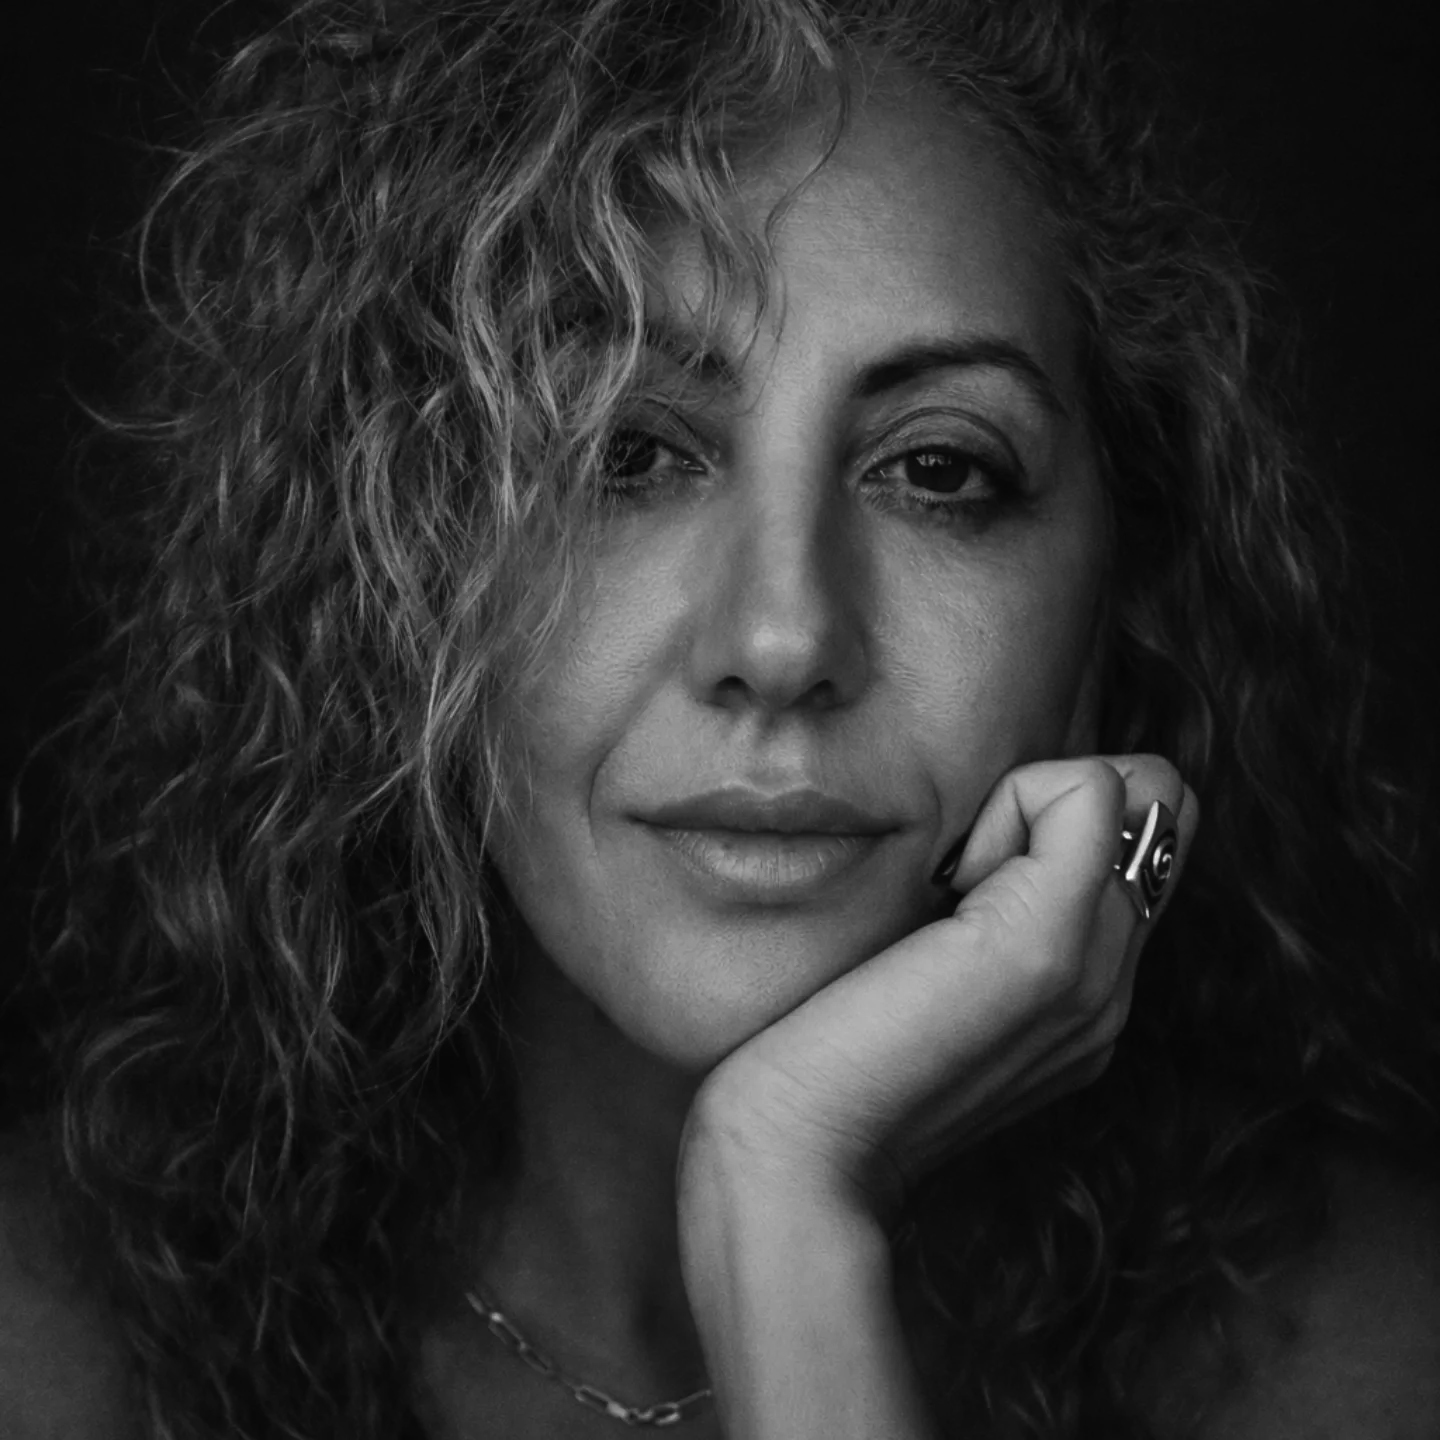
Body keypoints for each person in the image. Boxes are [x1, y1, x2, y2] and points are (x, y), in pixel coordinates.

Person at [1, 1, 1436, 1436]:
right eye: (624, 451)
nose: (783, 642)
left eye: (939, 469)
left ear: (1123, 578)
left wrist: (786, 1205)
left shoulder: (1365, 1361)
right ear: (390, 548)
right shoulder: (49, 1351)